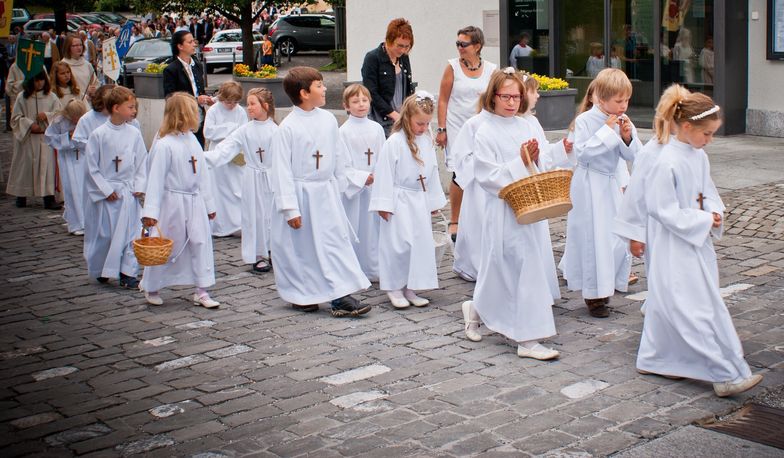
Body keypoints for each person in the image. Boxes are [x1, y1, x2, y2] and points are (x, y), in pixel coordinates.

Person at [636, 88, 764, 397]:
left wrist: (714, 212)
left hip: (696, 242)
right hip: (673, 244)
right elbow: (660, 209)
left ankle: (657, 357)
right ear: (687, 127)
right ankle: (722, 373)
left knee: (700, 303)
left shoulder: (698, 156)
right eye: (706, 133)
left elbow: (707, 192)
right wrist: (703, 220)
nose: (709, 140)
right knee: (687, 306)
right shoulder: (665, 162)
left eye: (712, 134)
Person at [461, 68, 560, 360]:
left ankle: (480, 309)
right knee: (511, 264)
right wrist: (520, 161)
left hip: (530, 204)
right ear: (493, 96)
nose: (511, 102)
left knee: (518, 265)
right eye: (505, 96)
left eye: (516, 96)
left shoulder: (527, 126)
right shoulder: (486, 130)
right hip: (503, 208)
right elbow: (487, 176)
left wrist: (540, 157)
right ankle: (527, 339)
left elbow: (541, 161)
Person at [269, 66, 371, 317]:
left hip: (326, 193)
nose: (325, 88)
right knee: (302, 250)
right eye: (319, 85)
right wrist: (289, 208)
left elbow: (339, 157)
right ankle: (303, 295)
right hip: (301, 195)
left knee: (334, 244)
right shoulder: (287, 128)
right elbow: (280, 171)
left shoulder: (327, 120)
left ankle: (341, 296)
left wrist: (340, 186)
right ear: (304, 93)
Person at [562, 68, 642, 318]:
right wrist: (607, 131)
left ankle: (610, 282)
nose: (623, 105)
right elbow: (583, 153)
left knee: (616, 238)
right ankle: (594, 295)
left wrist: (627, 137)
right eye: (618, 101)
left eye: (626, 100)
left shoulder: (622, 120)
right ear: (601, 98)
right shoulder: (586, 121)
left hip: (610, 184)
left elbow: (634, 156)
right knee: (593, 239)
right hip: (589, 185)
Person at [140, 93, 219, 308]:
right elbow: (155, 180)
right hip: (172, 202)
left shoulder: (192, 140)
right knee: (166, 244)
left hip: (194, 201)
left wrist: (209, 204)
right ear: (183, 115)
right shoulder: (165, 144)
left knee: (199, 242)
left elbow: (202, 174)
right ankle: (153, 285)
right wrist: (151, 213)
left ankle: (201, 289)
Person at [369, 92, 445, 308]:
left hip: (419, 199)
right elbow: (383, 173)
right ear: (407, 117)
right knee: (398, 244)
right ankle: (394, 287)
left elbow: (432, 172)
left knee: (418, 244)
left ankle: (410, 286)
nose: (423, 128)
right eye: (419, 123)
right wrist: (384, 204)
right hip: (399, 199)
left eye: (427, 123)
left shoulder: (427, 140)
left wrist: (432, 201)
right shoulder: (394, 142)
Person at [436, 26, 497, 247]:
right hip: (456, 128)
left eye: (464, 44)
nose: (460, 48)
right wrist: (441, 129)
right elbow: (443, 99)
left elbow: (493, 98)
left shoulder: (491, 69)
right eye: (458, 44)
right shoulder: (452, 67)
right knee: (459, 173)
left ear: (477, 46)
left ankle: (478, 215)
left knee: (481, 170)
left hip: (481, 128)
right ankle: (455, 218)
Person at [205, 87, 277, 273]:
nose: (248, 108)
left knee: (273, 215)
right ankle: (258, 255)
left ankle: (275, 250)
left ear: (265, 106)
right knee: (254, 216)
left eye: (253, 104)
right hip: (252, 178)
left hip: (272, 178)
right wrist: (201, 157)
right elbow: (224, 150)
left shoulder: (277, 130)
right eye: (248, 103)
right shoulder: (244, 130)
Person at [83, 86, 147, 288]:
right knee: (107, 235)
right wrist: (105, 189)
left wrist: (139, 185)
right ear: (116, 108)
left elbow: (141, 162)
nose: (134, 111)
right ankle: (103, 267)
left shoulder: (134, 133)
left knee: (131, 234)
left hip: (128, 192)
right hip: (109, 194)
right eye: (130, 107)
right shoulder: (99, 135)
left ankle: (128, 272)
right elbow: (91, 167)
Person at [339, 83, 385, 282]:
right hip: (355, 191)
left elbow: (384, 156)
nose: (361, 105)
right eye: (355, 101)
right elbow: (341, 162)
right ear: (346, 106)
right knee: (357, 227)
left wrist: (379, 175)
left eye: (364, 100)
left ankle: (375, 267)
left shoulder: (376, 129)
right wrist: (360, 177)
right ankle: (356, 269)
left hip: (375, 187)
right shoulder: (343, 131)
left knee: (375, 229)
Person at [5, 70, 62, 210]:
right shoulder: (22, 97)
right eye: (36, 80)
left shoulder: (52, 97)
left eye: (42, 80)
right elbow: (15, 118)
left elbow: (59, 114)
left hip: (45, 138)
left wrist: (47, 115)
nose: (39, 83)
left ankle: (48, 198)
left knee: (47, 168)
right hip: (28, 138)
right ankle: (21, 195)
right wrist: (30, 125)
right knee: (25, 167)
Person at [203, 81, 247, 237]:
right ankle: (220, 224)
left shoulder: (240, 111)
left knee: (235, 187)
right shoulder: (214, 110)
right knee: (219, 187)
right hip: (217, 151)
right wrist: (230, 128)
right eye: (229, 102)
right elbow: (208, 132)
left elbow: (244, 130)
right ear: (222, 98)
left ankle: (237, 222)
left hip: (234, 153)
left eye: (235, 102)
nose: (232, 105)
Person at [361, 18, 415, 137]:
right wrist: (393, 114)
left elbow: (407, 88)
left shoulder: (404, 57)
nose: (403, 50)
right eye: (400, 45)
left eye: (407, 46)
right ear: (388, 40)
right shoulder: (372, 58)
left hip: (401, 119)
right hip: (381, 121)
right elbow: (371, 93)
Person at [45, 99, 89, 235]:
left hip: (83, 158)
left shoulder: (87, 120)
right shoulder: (59, 121)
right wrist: (67, 137)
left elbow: (92, 139)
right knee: (71, 190)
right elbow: (49, 138)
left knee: (85, 190)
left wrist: (80, 138)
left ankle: (88, 222)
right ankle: (76, 224)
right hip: (67, 159)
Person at [163, 30, 213, 146]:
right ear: (180, 46)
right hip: (181, 120)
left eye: (194, 41)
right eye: (190, 42)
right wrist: (195, 100)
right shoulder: (171, 70)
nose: (194, 44)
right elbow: (170, 98)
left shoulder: (197, 65)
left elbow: (199, 90)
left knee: (199, 150)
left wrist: (207, 99)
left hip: (198, 118)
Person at [61, 34, 98, 105]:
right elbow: (64, 88)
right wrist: (83, 94)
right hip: (72, 104)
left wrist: (94, 89)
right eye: (75, 45)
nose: (79, 48)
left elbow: (95, 82)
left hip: (88, 103)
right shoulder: (63, 65)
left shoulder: (87, 64)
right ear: (68, 47)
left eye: (80, 45)